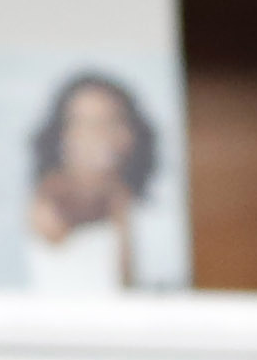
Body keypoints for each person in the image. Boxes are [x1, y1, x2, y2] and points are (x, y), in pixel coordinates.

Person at [24, 68, 162, 293]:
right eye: (85, 123)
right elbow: (54, 230)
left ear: (132, 130)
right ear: (62, 135)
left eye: (111, 121)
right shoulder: (51, 196)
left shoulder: (145, 206)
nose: (99, 134)